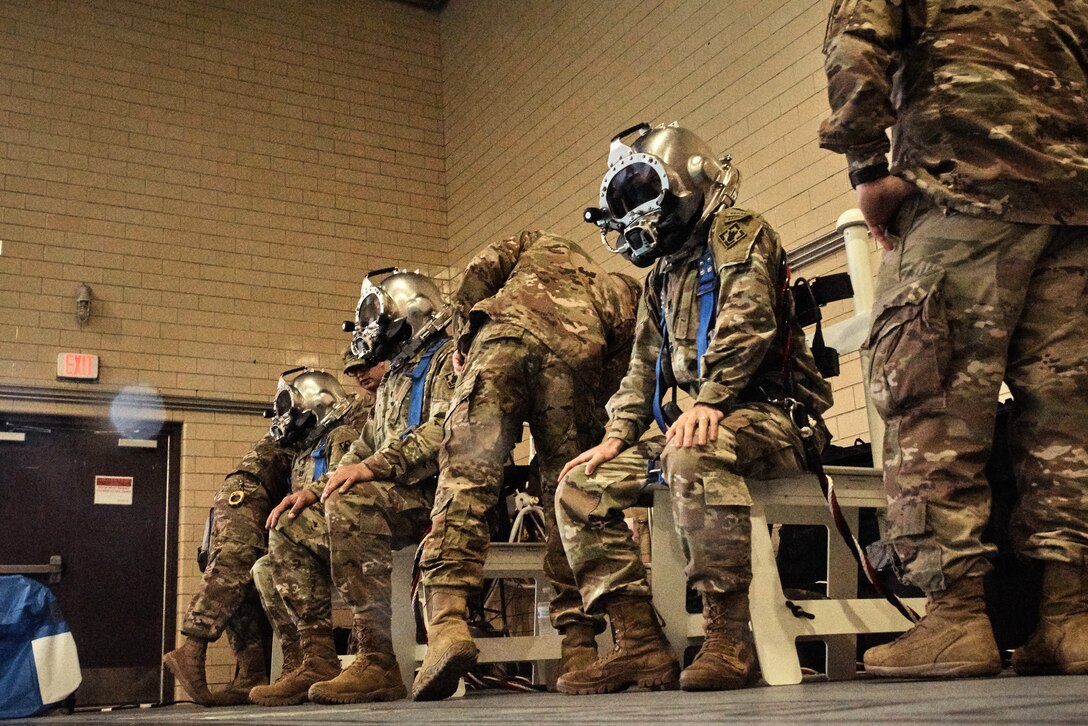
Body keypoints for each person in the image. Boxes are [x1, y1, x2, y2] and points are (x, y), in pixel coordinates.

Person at [819, 0, 1088, 678]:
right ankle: (1071, 615)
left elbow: (855, 50)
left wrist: (866, 171)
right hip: (1073, 205)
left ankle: (957, 617)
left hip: (959, 191)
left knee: (931, 402)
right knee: (1068, 422)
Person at [554, 122, 833, 695]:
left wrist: (709, 399)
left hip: (775, 418)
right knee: (581, 484)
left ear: (689, 183)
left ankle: (729, 640)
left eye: (644, 194)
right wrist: (616, 435)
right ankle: (640, 644)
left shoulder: (741, 233)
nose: (636, 216)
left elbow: (749, 320)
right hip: (709, 419)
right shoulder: (662, 276)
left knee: (691, 453)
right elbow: (640, 365)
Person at [410, 232, 641, 701]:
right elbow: (615, 378)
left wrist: (464, 334)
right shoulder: (623, 295)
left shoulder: (541, 243)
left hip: (502, 342)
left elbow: (482, 265)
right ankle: (580, 645)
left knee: (467, 481)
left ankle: (449, 623)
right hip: (575, 361)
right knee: (566, 495)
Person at [249, 271, 456, 706]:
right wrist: (314, 488)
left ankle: (377, 660)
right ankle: (316, 659)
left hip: (438, 497)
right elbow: (359, 450)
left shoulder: (448, 358)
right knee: (289, 521)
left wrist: (374, 467)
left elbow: (448, 430)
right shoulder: (396, 376)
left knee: (352, 499)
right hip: (391, 498)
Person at [163, 369, 362, 705]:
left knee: (242, 574)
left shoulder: (305, 429)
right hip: (250, 493)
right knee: (233, 568)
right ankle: (193, 648)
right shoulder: (314, 428)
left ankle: (250, 674)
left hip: (243, 492)